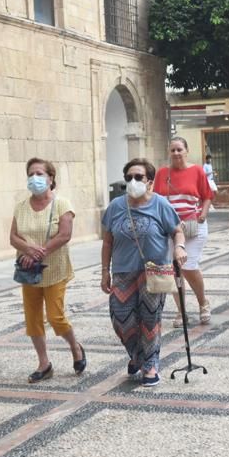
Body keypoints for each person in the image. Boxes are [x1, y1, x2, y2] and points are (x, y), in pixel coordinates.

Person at [100, 159, 186, 387]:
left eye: (138, 177)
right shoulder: (116, 207)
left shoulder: (160, 204)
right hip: (122, 271)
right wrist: (104, 272)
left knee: (150, 319)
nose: (133, 181)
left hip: (154, 270)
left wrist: (179, 247)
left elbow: (177, 231)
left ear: (150, 181)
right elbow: (107, 242)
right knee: (121, 318)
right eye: (129, 177)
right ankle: (138, 355)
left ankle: (150, 366)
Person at [9, 158, 85, 383]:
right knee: (32, 319)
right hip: (29, 270)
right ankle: (44, 363)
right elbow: (13, 236)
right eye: (31, 173)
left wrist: (39, 251)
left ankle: (75, 346)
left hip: (55, 269)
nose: (35, 178)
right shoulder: (21, 206)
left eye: (40, 174)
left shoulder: (62, 204)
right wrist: (27, 249)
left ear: (51, 178)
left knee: (56, 317)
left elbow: (64, 234)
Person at [154, 137, 214, 327]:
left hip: (193, 226)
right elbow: (156, 199)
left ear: (186, 151)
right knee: (173, 270)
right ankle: (181, 311)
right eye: (173, 150)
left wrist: (202, 215)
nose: (176, 153)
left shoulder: (197, 170)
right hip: (169, 228)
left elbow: (207, 196)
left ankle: (203, 302)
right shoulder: (162, 173)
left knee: (188, 266)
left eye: (179, 149)